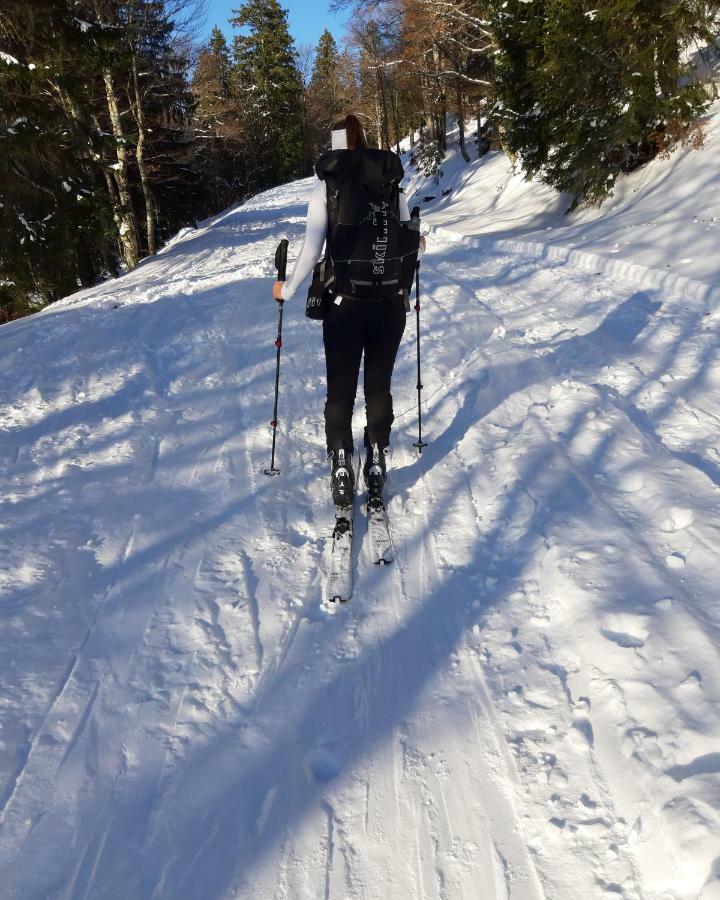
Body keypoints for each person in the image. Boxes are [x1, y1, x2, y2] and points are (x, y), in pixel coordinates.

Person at [272, 114, 425, 511]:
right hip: (390, 305)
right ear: (366, 142)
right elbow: (411, 245)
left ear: (337, 146)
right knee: (379, 385)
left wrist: (286, 290)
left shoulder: (327, 190)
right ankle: (375, 458)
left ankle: (341, 460)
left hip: (344, 305)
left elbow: (310, 252)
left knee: (340, 387)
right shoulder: (393, 186)